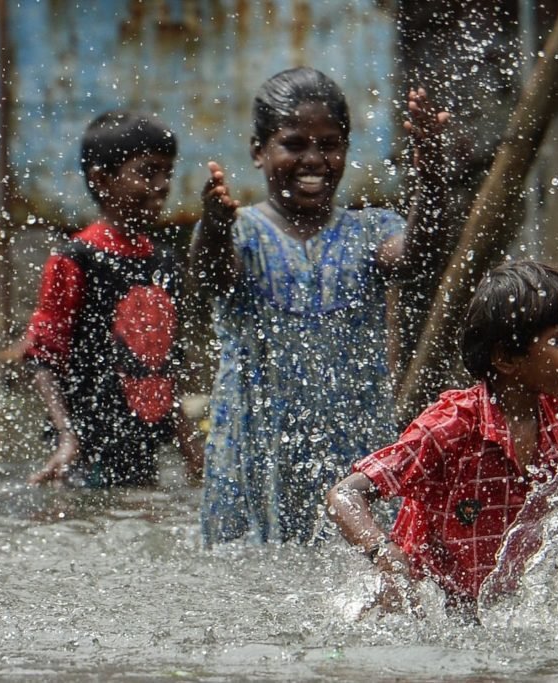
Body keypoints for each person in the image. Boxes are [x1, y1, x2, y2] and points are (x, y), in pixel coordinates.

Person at [192, 67, 450, 545]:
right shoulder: (241, 232)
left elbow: (417, 255)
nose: (314, 159)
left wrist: (431, 179)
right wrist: (212, 227)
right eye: (293, 144)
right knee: (248, 573)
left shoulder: (371, 231)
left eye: (330, 144)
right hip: (255, 453)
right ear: (258, 151)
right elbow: (210, 277)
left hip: (353, 445)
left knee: (362, 572)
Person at [327, 261, 558, 617]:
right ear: (505, 358)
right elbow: (344, 493)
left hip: (495, 612)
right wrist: (383, 552)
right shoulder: (450, 427)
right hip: (421, 612)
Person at [22, 109, 203, 488]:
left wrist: (190, 446)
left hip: (145, 446)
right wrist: (66, 434)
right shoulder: (74, 260)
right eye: (147, 172)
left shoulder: (163, 262)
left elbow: (161, 364)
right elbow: (43, 358)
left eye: (167, 173)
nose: (162, 185)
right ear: (102, 180)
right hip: (86, 453)